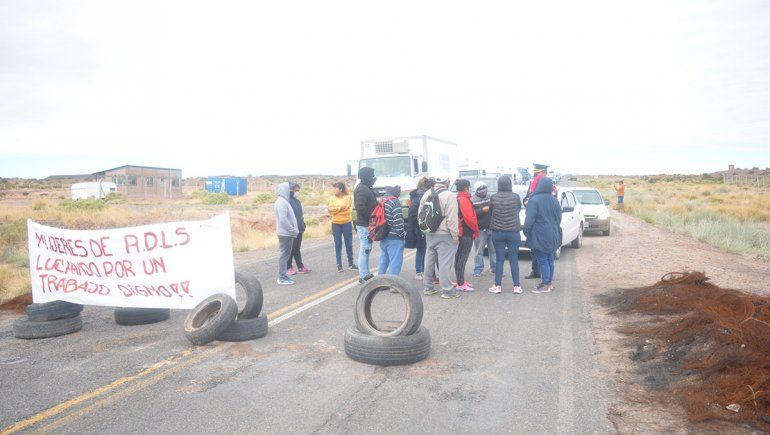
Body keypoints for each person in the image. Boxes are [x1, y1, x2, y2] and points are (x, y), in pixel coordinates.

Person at [420, 178, 461, 299]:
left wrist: (425, 229)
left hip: (430, 232)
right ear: (447, 182)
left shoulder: (427, 193)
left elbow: (420, 214)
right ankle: (447, 290)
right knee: (444, 262)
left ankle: (428, 287)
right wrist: (455, 235)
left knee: (429, 259)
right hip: (445, 234)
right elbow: (452, 218)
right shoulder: (449, 195)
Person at [523, 177, 562, 293]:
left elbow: (529, 220)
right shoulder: (555, 200)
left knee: (543, 259)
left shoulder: (534, 200)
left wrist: (526, 232)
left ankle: (545, 284)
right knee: (550, 259)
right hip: (553, 233)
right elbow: (559, 219)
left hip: (540, 234)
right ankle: (548, 283)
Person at [487, 175, 523, 294]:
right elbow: (518, 210)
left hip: (498, 232)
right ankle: (517, 286)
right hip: (513, 232)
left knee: (499, 260)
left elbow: (491, 212)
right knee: (514, 260)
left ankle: (497, 286)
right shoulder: (516, 197)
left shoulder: (494, 197)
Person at [454, 179, 479, 291]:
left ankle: (461, 281)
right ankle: (460, 283)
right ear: (465, 188)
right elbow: (469, 218)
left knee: (459, 256)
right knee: (462, 258)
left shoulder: (458, 198)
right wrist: (476, 229)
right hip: (465, 232)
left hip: (460, 231)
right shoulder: (464, 199)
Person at [354, 167, 377, 283]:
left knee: (367, 249)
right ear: (366, 176)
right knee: (364, 250)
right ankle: (363, 276)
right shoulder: (362, 189)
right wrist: (372, 217)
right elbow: (360, 206)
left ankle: (366, 273)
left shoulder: (366, 187)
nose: (374, 178)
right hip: (364, 225)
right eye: (372, 175)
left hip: (367, 224)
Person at [328, 182, 357, 273]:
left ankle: (351, 263)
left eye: (335, 188)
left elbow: (347, 211)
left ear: (340, 189)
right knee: (338, 244)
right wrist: (340, 208)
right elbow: (330, 210)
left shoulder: (348, 198)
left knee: (348, 244)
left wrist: (336, 209)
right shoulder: (331, 199)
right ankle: (339, 265)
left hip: (346, 223)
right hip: (335, 224)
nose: (333, 190)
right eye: (333, 188)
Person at [274, 182, 299, 285]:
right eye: (289, 189)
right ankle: (282, 277)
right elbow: (283, 219)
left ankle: (283, 276)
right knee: (284, 256)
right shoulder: (281, 202)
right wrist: (292, 229)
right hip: (285, 233)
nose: (291, 191)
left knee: (285, 255)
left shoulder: (283, 201)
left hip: (286, 233)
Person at [378, 186, 406, 276]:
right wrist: (402, 235)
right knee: (395, 262)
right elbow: (398, 221)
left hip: (383, 235)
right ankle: (393, 285)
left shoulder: (382, 201)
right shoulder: (394, 202)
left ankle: (379, 282)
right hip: (394, 238)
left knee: (384, 260)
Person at [406, 177, 430, 280]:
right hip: (420, 227)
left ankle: (422, 271)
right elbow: (416, 215)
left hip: (419, 227)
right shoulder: (421, 197)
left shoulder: (416, 196)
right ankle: (419, 271)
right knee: (421, 249)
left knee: (423, 250)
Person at [471, 181, 496, 277]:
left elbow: (495, 210)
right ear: (476, 190)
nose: (483, 191)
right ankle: (478, 269)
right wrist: (482, 210)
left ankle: (495, 268)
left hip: (491, 227)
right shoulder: (472, 200)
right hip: (480, 229)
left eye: (484, 189)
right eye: (480, 190)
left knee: (493, 250)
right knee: (479, 251)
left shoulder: (490, 197)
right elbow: (472, 214)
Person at [286, 182, 310, 275]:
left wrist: (303, 224)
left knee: (297, 249)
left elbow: (300, 214)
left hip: (299, 229)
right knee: (291, 249)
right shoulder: (287, 201)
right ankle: (288, 267)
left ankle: (300, 267)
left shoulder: (297, 201)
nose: (296, 192)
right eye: (295, 190)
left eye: (297, 191)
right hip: (292, 230)